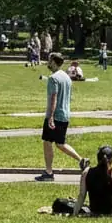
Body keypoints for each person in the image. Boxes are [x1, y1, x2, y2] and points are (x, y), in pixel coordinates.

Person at [36, 52, 88, 181]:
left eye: (49, 60)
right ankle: (81, 160)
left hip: (55, 115)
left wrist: (51, 117)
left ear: (54, 61)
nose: (48, 62)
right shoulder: (66, 77)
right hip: (65, 114)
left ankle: (48, 172)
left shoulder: (53, 78)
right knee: (60, 143)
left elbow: (53, 97)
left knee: (47, 142)